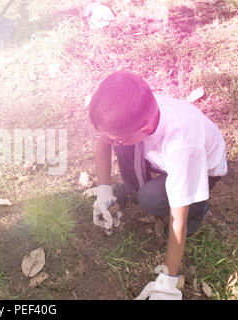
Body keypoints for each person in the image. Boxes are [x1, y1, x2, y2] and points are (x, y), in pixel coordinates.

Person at [88, 71, 227, 300]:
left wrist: (168, 281)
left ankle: (198, 208)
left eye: (115, 137)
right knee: (124, 147)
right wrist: (104, 191)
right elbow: (104, 142)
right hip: (162, 159)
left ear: (142, 130)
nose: (110, 142)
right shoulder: (137, 114)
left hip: (201, 169)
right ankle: (134, 187)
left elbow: (177, 219)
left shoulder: (182, 147)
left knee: (151, 198)